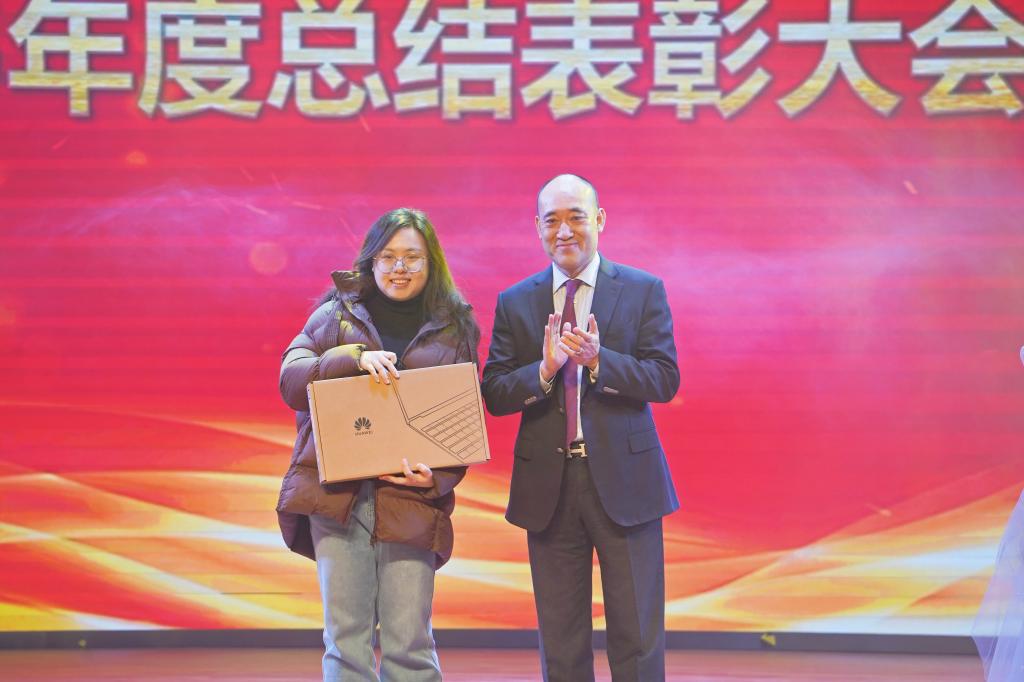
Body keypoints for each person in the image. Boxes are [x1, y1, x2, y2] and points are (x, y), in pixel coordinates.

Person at [481, 174, 680, 681]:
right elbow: (495, 392)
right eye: (552, 221)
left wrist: (599, 362)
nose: (564, 231)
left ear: (600, 220)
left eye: (576, 217)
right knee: (562, 640)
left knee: (637, 636)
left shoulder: (642, 289)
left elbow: (664, 379)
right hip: (549, 488)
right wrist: (544, 370)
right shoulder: (515, 300)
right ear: (537, 227)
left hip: (627, 482)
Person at [276, 208, 480, 682]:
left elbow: (463, 418)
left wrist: (437, 477)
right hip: (336, 499)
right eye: (387, 257)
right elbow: (290, 380)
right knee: (346, 641)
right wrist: (351, 358)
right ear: (370, 261)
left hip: (411, 500)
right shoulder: (334, 316)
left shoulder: (455, 327)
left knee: (410, 643)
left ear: (431, 263)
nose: (399, 268)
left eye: (412, 257)